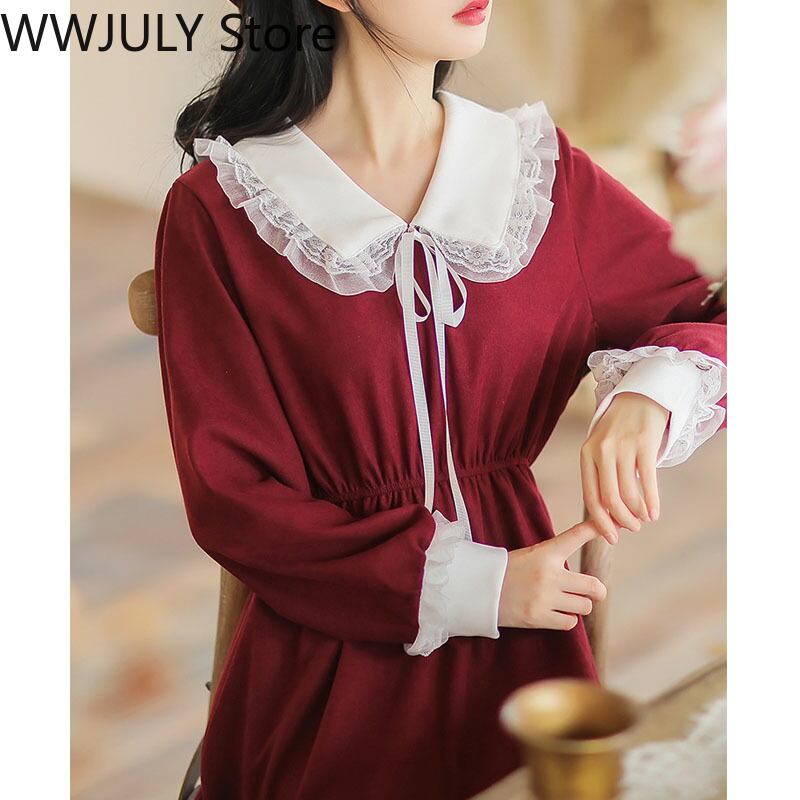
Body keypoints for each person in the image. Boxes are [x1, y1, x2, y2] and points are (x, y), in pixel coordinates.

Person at [154, 1, 727, 797]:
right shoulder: (226, 210)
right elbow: (234, 497)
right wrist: (477, 587)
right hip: (330, 664)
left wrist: (650, 392)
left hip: (527, 658)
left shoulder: (534, 172)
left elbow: (723, 306)